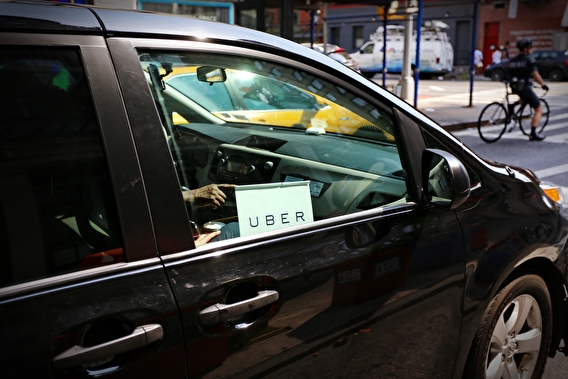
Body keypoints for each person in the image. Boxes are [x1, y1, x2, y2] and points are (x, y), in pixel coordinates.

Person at [508, 38, 549, 141]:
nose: (532, 49)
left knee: (524, 99)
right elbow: (535, 75)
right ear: (526, 49)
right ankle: (534, 133)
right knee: (539, 108)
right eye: (531, 47)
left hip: (514, 87)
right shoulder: (528, 60)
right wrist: (543, 84)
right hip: (524, 87)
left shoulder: (513, 60)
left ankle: (512, 106)